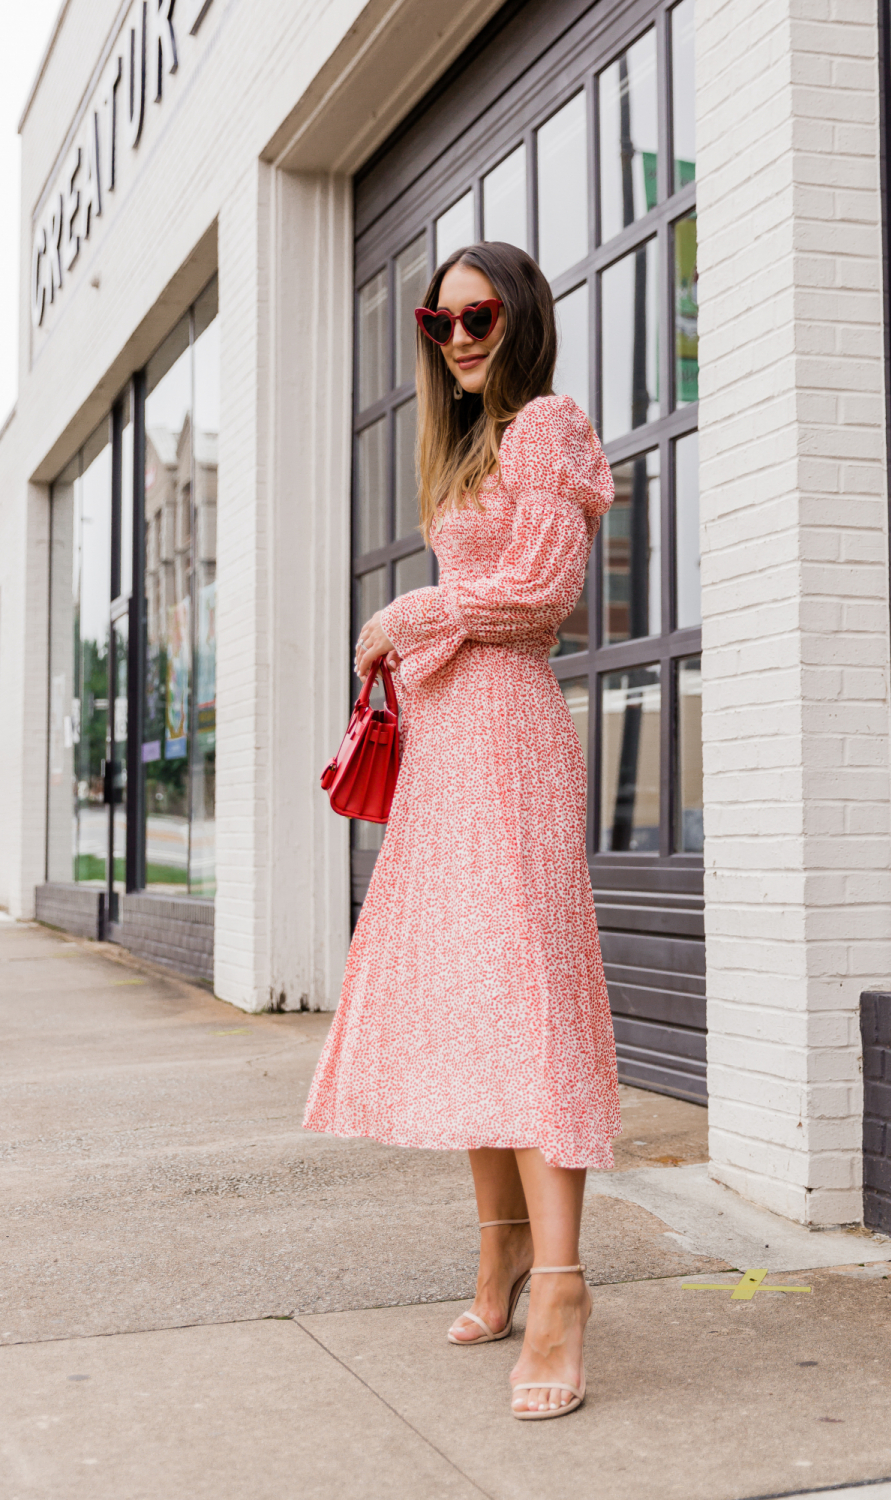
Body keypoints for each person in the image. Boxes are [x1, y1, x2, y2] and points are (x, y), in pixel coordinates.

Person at [304, 240, 621, 1420]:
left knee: (526, 1001)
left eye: (477, 315)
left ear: (519, 315)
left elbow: (543, 591)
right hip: (443, 746)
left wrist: (411, 608)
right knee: (470, 999)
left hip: (508, 741)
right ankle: (500, 1257)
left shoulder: (546, 425)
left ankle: (565, 1289)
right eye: (439, 323)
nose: (458, 337)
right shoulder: (465, 443)